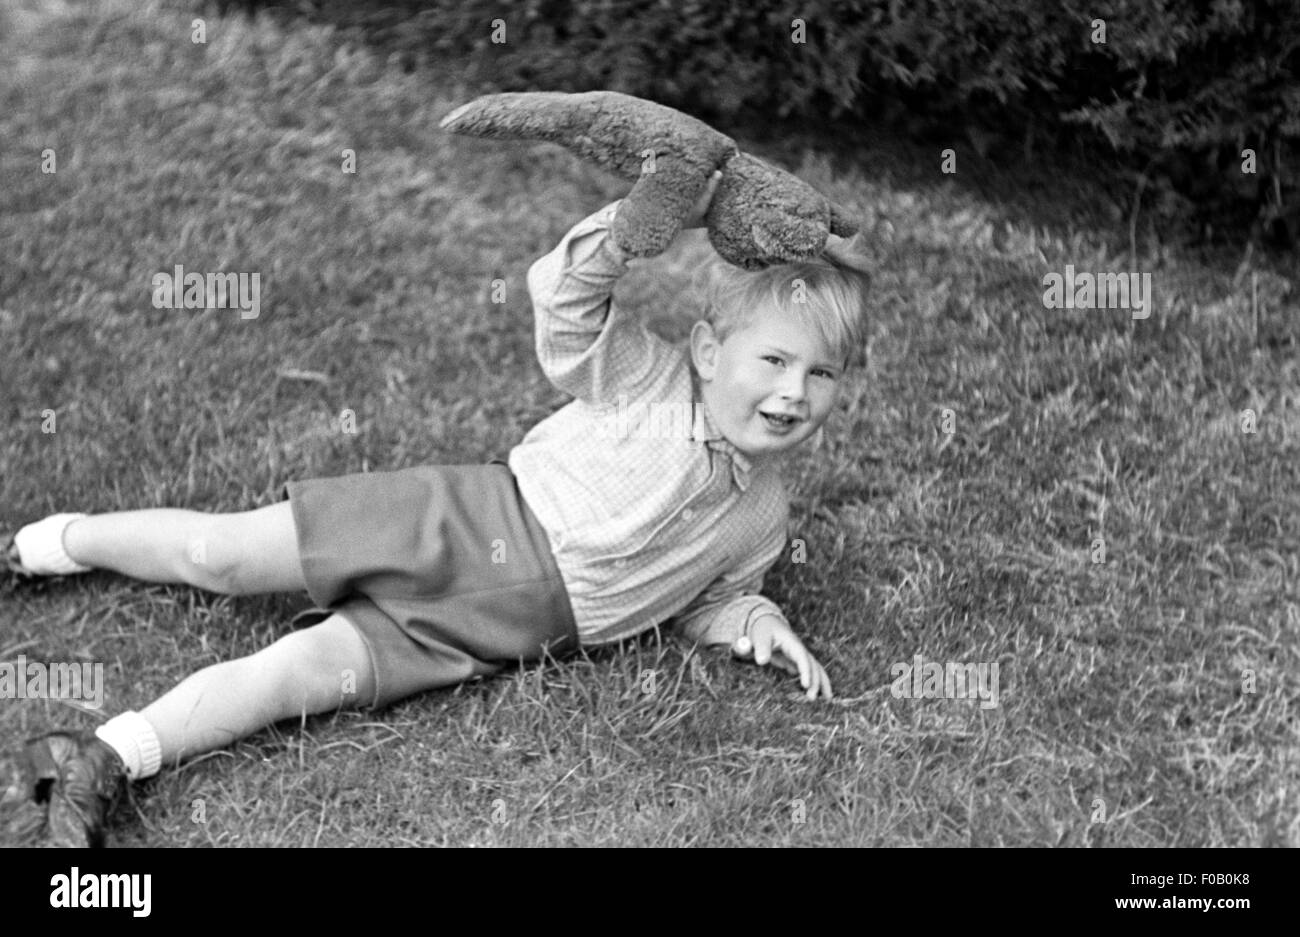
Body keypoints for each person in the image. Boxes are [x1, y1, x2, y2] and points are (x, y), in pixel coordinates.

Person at [0, 171, 870, 846]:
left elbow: (708, 599)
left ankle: (105, 757)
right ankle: (45, 545)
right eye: (775, 361)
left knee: (292, 679)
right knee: (219, 558)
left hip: (493, 637)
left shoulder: (763, 513)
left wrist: (754, 622)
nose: (794, 393)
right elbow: (564, 303)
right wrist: (628, 228)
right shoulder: (646, 376)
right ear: (711, 350)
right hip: (463, 518)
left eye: (821, 374)